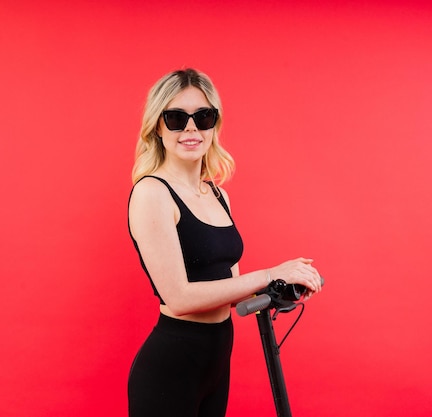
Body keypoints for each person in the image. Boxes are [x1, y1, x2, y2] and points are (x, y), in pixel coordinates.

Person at [127, 68, 322, 417]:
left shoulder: (217, 194)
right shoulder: (152, 193)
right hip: (172, 368)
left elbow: (230, 289)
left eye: (203, 117)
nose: (191, 128)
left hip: (217, 361)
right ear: (158, 127)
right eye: (175, 118)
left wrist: (281, 285)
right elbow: (180, 297)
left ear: (214, 124)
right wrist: (267, 273)